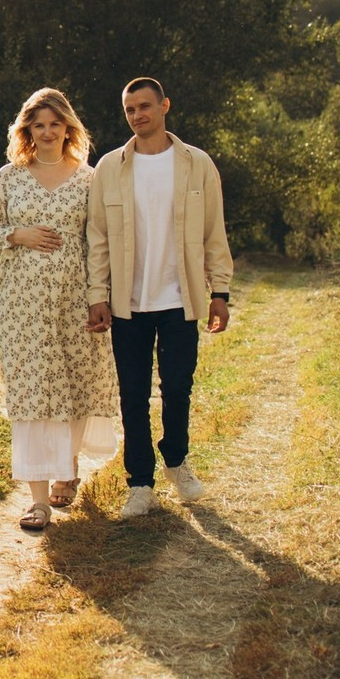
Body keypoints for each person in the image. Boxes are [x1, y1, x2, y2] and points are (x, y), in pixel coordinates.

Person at [85, 76, 233, 519]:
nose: (137, 116)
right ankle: (140, 483)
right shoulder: (110, 167)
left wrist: (219, 292)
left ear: (165, 105)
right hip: (127, 302)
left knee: (178, 389)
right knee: (132, 395)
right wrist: (98, 294)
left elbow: (213, 232)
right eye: (130, 110)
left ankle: (176, 461)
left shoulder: (197, 164)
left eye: (145, 107)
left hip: (179, 297)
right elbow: (98, 238)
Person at [0, 88, 118, 531]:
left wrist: (99, 296)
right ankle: (36, 500)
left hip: (74, 298)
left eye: (56, 124)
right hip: (20, 303)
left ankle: (68, 468)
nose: (48, 132)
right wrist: (19, 235)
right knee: (32, 394)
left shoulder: (90, 178)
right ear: (27, 131)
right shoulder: (9, 177)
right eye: (39, 125)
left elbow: (100, 242)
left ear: (68, 128)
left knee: (72, 381)